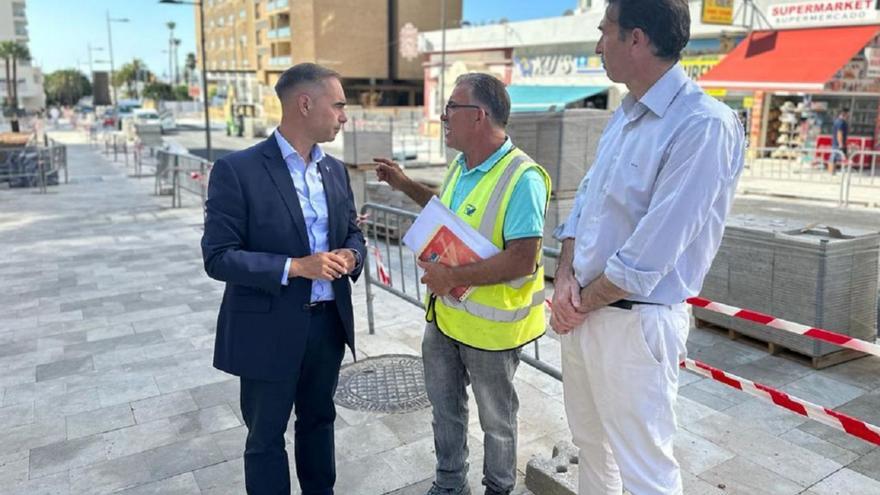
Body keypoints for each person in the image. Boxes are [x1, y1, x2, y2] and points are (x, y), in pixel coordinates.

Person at [549, 1, 745, 494]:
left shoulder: (703, 125)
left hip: (635, 325)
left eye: (604, 31)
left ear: (636, 38)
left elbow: (649, 258)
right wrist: (565, 278)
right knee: (591, 450)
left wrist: (575, 304)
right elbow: (584, 208)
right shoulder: (626, 115)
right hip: (586, 313)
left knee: (645, 473)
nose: (597, 44)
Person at [374, 73, 550, 495]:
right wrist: (402, 184)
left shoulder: (522, 177)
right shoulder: (462, 165)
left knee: (497, 422)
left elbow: (523, 260)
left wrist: (451, 276)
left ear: (479, 116)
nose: (443, 116)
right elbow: (445, 210)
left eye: (452, 107)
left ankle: (498, 488)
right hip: (445, 319)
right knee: (445, 411)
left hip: (491, 332)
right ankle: (450, 485)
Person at [201, 63, 366, 495]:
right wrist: (296, 266)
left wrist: (352, 253)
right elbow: (218, 257)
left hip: (327, 324)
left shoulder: (334, 170)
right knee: (265, 438)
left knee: (318, 422)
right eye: (339, 106)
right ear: (305, 104)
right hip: (267, 328)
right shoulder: (237, 170)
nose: (344, 116)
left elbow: (352, 230)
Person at [829, 107, 849, 173]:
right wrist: (840, 144)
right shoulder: (841, 122)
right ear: (844, 114)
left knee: (837, 157)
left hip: (836, 143)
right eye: (847, 114)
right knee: (835, 158)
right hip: (838, 144)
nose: (848, 115)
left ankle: (833, 171)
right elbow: (839, 133)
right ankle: (832, 171)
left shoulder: (837, 121)